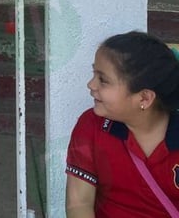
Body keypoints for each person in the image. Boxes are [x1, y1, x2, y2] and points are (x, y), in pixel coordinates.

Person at [65, 30, 179, 217]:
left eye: (103, 80)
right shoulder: (91, 125)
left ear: (144, 98)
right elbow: (78, 204)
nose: (91, 85)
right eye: (94, 74)